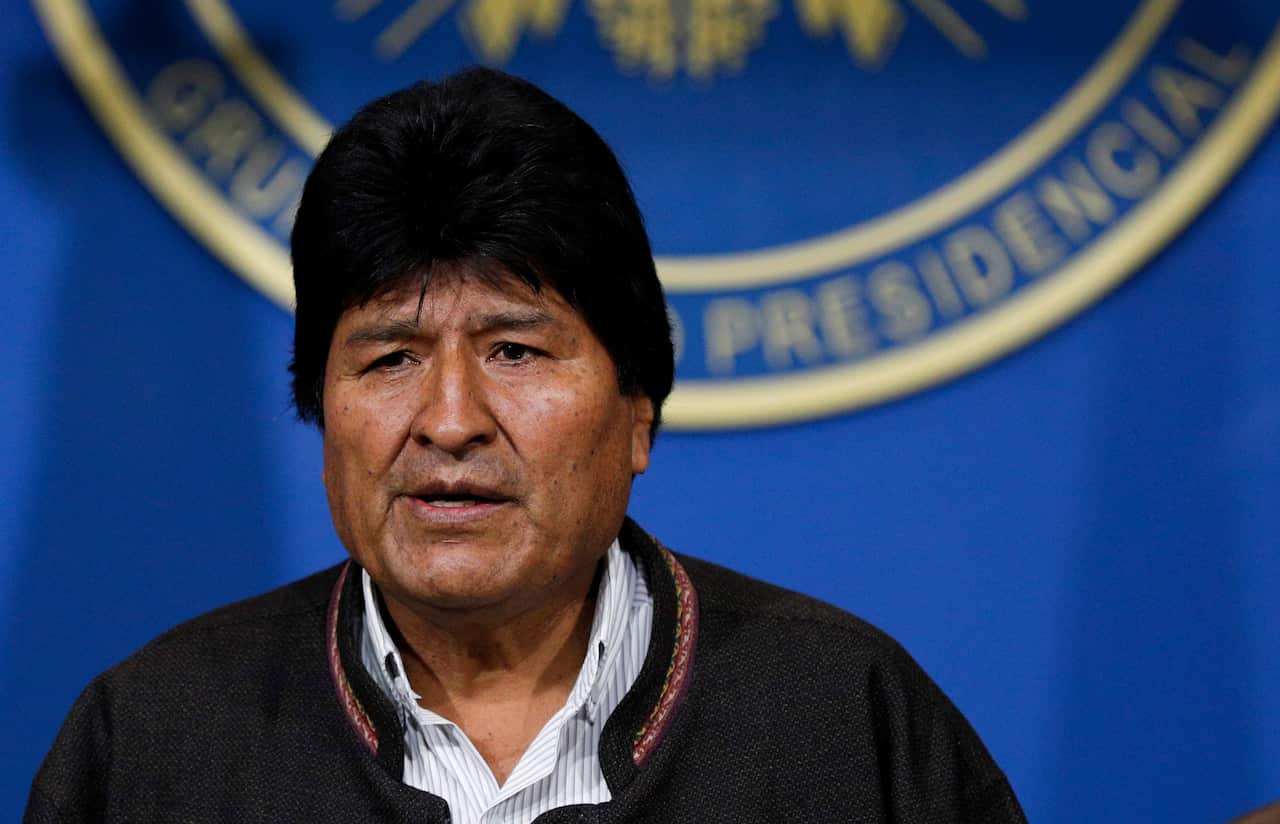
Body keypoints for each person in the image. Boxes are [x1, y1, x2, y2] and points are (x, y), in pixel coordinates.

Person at [25, 67, 1026, 823]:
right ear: (320, 413)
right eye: (390, 357)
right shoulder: (154, 741)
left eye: (514, 350)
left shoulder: (843, 723)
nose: (450, 419)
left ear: (638, 408)